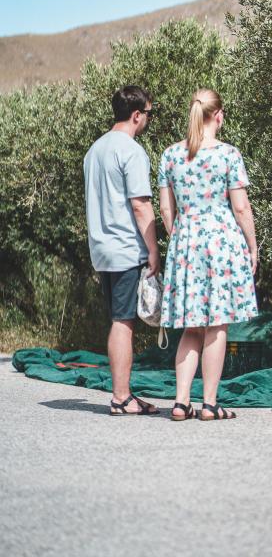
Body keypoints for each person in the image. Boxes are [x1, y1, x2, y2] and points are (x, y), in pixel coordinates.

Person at [158, 88, 258, 421]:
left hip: (186, 241)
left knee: (191, 327)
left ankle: (180, 401)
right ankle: (210, 404)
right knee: (216, 325)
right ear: (219, 116)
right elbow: (241, 208)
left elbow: (166, 209)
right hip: (221, 242)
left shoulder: (170, 155)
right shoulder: (228, 154)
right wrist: (252, 247)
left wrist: (179, 238)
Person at [84, 85, 161, 415]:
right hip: (126, 248)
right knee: (123, 321)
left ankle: (124, 393)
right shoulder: (131, 151)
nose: (149, 119)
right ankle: (121, 396)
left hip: (101, 248)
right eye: (149, 113)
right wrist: (154, 250)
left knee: (118, 318)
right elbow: (141, 205)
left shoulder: (94, 150)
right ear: (137, 115)